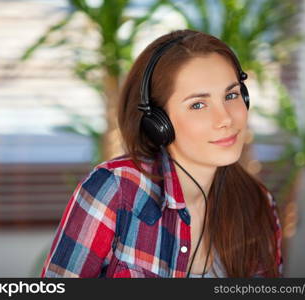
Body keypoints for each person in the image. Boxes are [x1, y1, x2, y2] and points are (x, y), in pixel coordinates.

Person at [41, 29, 283, 278]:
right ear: (158, 122)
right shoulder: (115, 190)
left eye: (231, 95)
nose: (225, 119)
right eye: (198, 104)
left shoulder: (258, 204)